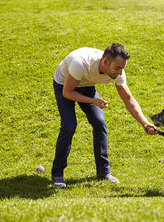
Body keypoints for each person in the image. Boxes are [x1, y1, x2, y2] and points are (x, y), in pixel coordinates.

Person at [51, 43, 157, 188]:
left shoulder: (117, 71)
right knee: (69, 126)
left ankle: (103, 172)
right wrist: (94, 101)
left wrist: (145, 123)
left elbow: (128, 99)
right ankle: (57, 173)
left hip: (87, 85)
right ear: (105, 61)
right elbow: (67, 93)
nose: (120, 73)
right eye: (117, 68)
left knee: (99, 122)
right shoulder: (80, 63)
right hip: (64, 84)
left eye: (122, 68)